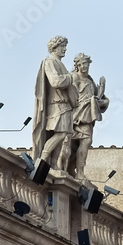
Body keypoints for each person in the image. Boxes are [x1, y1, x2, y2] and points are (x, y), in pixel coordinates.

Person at [31, 36, 77, 174]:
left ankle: (53, 166)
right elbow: (55, 81)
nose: (65, 49)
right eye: (62, 46)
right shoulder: (49, 62)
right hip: (56, 105)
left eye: (65, 46)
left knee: (61, 135)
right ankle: (43, 160)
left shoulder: (59, 63)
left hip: (64, 105)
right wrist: (69, 77)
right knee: (60, 133)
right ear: (55, 47)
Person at [68, 52, 109, 181]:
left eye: (87, 64)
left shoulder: (90, 79)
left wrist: (102, 91)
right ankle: (68, 168)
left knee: (86, 141)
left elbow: (98, 96)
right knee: (69, 143)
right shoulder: (73, 77)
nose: (85, 66)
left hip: (88, 114)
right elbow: (69, 96)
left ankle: (79, 171)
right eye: (83, 64)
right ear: (78, 65)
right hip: (76, 114)